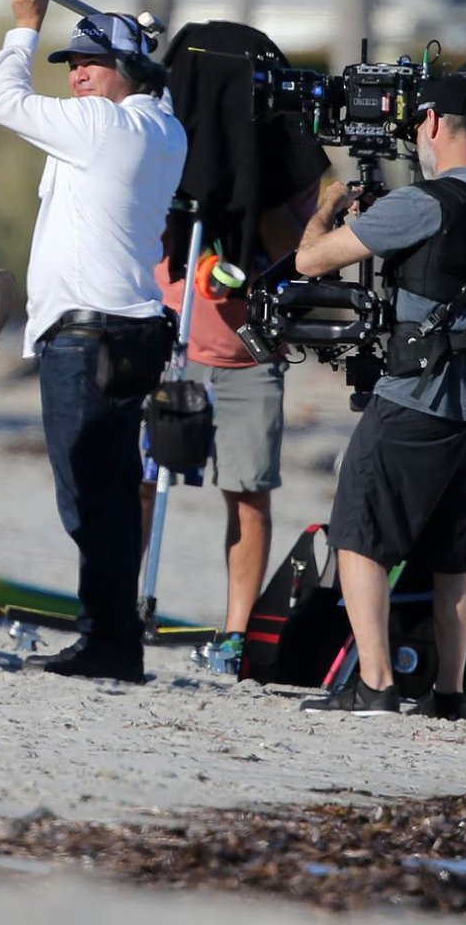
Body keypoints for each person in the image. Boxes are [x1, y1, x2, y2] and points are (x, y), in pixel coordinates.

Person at [295, 75, 466, 720]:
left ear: (430, 126)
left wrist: (328, 208)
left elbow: (310, 262)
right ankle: (450, 694)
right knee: (453, 550)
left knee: (357, 532)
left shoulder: (424, 203)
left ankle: (375, 685)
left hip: (420, 393)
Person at [0, 0, 188, 682]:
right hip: (129, 332)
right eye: (71, 63)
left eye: (91, 63)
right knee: (110, 490)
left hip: (88, 336)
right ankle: (111, 634)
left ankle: (109, 640)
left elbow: (0, 100)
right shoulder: (165, 128)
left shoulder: (103, 126)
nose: (76, 75)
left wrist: (25, 26)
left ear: (129, 70)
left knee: (87, 494)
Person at [140, 183, 316, 673]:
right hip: (172, 345)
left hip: (250, 358)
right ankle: (117, 610)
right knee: (143, 484)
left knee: (248, 494)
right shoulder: (178, 152)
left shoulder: (286, 167)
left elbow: (303, 259)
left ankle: (237, 634)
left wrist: (256, 197)